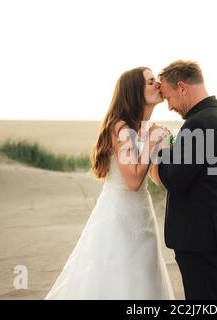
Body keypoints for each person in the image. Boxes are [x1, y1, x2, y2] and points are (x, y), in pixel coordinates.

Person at [45, 67, 174, 299]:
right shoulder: (120, 127)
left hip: (142, 213)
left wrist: (159, 146)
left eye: (156, 80)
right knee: (119, 276)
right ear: (134, 91)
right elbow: (133, 180)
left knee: (144, 277)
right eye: (150, 81)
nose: (157, 84)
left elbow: (152, 178)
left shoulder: (140, 128)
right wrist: (152, 141)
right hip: (120, 217)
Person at [149, 60, 217, 300]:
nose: (169, 107)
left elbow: (174, 180)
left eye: (168, 98)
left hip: (199, 236)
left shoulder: (197, 124)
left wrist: (159, 148)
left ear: (182, 87)